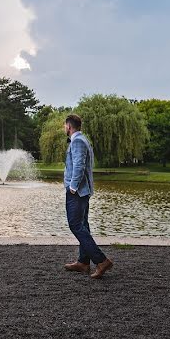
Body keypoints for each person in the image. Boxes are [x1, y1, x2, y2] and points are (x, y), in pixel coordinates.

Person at [62, 114, 114, 279]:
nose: (64, 128)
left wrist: (73, 187)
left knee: (75, 225)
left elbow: (79, 165)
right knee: (82, 225)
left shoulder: (77, 141)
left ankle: (102, 260)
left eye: (65, 126)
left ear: (69, 126)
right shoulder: (84, 140)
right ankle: (83, 262)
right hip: (83, 191)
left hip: (77, 192)